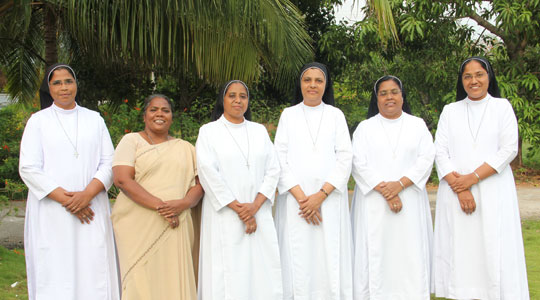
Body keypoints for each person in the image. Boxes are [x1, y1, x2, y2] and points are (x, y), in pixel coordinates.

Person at [19, 63, 120, 299]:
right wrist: (69, 201)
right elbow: (29, 168)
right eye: (56, 82)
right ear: (48, 88)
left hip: (92, 207)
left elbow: (109, 163)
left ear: (76, 85)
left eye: (68, 81)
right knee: (55, 268)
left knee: (93, 266)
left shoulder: (94, 119)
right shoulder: (38, 122)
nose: (63, 87)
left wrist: (86, 196)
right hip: (53, 211)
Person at [433, 56, 529, 299]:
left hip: (493, 189)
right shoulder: (450, 111)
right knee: (462, 249)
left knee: (492, 246)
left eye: (479, 75)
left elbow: (508, 150)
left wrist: (473, 178)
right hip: (456, 192)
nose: (473, 80)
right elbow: (440, 152)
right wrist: (461, 188)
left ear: (489, 77)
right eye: (467, 76)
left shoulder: (502, 106)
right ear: (461, 80)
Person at [196, 80, 283, 300]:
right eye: (232, 95)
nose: (238, 100)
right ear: (222, 100)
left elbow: (273, 170)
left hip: (259, 211)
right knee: (227, 273)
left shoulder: (259, 131)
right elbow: (208, 173)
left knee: (260, 269)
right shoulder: (209, 132)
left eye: (243, 96)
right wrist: (240, 210)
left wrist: (254, 207)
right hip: (224, 214)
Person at [274, 62, 354, 299]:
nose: (312, 85)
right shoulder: (288, 115)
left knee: (328, 256)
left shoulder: (335, 115)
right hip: (295, 203)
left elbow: (345, 156)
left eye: (318, 80)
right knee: (297, 256)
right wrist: (303, 199)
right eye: (307, 80)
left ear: (325, 84)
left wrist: (320, 195)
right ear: (300, 84)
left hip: (328, 201)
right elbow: (279, 157)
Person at [111, 94, 203, 299]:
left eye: (165, 110)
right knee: (139, 278)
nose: (159, 114)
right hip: (137, 225)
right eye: (153, 110)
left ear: (171, 117)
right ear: (144, 116)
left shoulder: (186, 148)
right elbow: (122, 180)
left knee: (173, 277)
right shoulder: (131, 141)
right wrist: (162, 207)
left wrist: (184, 204)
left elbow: (200, 185)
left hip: (176, 223)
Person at [351, 75, 435, 299]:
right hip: (374, 204)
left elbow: (426, 159)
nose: (389, 97)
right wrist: (387, 191)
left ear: (402, 95)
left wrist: (399, 185)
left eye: (394, 92)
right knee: (377, 255)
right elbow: (358, 164)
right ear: (376, 98)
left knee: (409, 254)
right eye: (383, 93)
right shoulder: (365, 128)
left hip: (410, 200)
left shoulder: (417, 125)